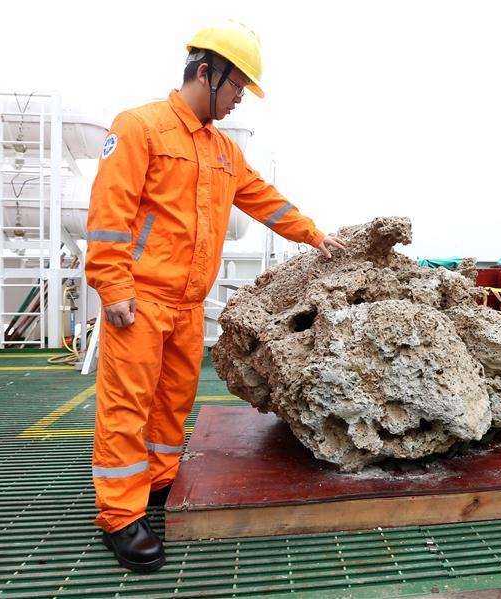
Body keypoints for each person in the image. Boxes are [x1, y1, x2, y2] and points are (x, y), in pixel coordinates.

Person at [84, 20, 346, 572]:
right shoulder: (139, 127)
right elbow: (110, 214)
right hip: (140, 299)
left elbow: (263, 199)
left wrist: (314, 234)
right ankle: (120, 514)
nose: (238, 101)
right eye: (236, 88)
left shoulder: (223, 149)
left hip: (187, 305)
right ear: (206, 73)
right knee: (127, 406)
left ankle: (157, 483)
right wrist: (113, 284)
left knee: (172, 403)